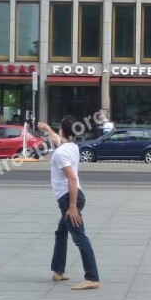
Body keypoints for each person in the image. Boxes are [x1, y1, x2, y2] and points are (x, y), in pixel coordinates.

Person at [38, 118, 100, 290]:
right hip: (74, 196)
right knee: (61, 232)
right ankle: (58, 271)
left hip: (69, 198)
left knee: (80, 238)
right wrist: (48, 128)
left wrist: (72, 207)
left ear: (63, 131)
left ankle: (92, 277)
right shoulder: (72, 147)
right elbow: (57, 140)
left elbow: (71, 178)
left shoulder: (60, 153)